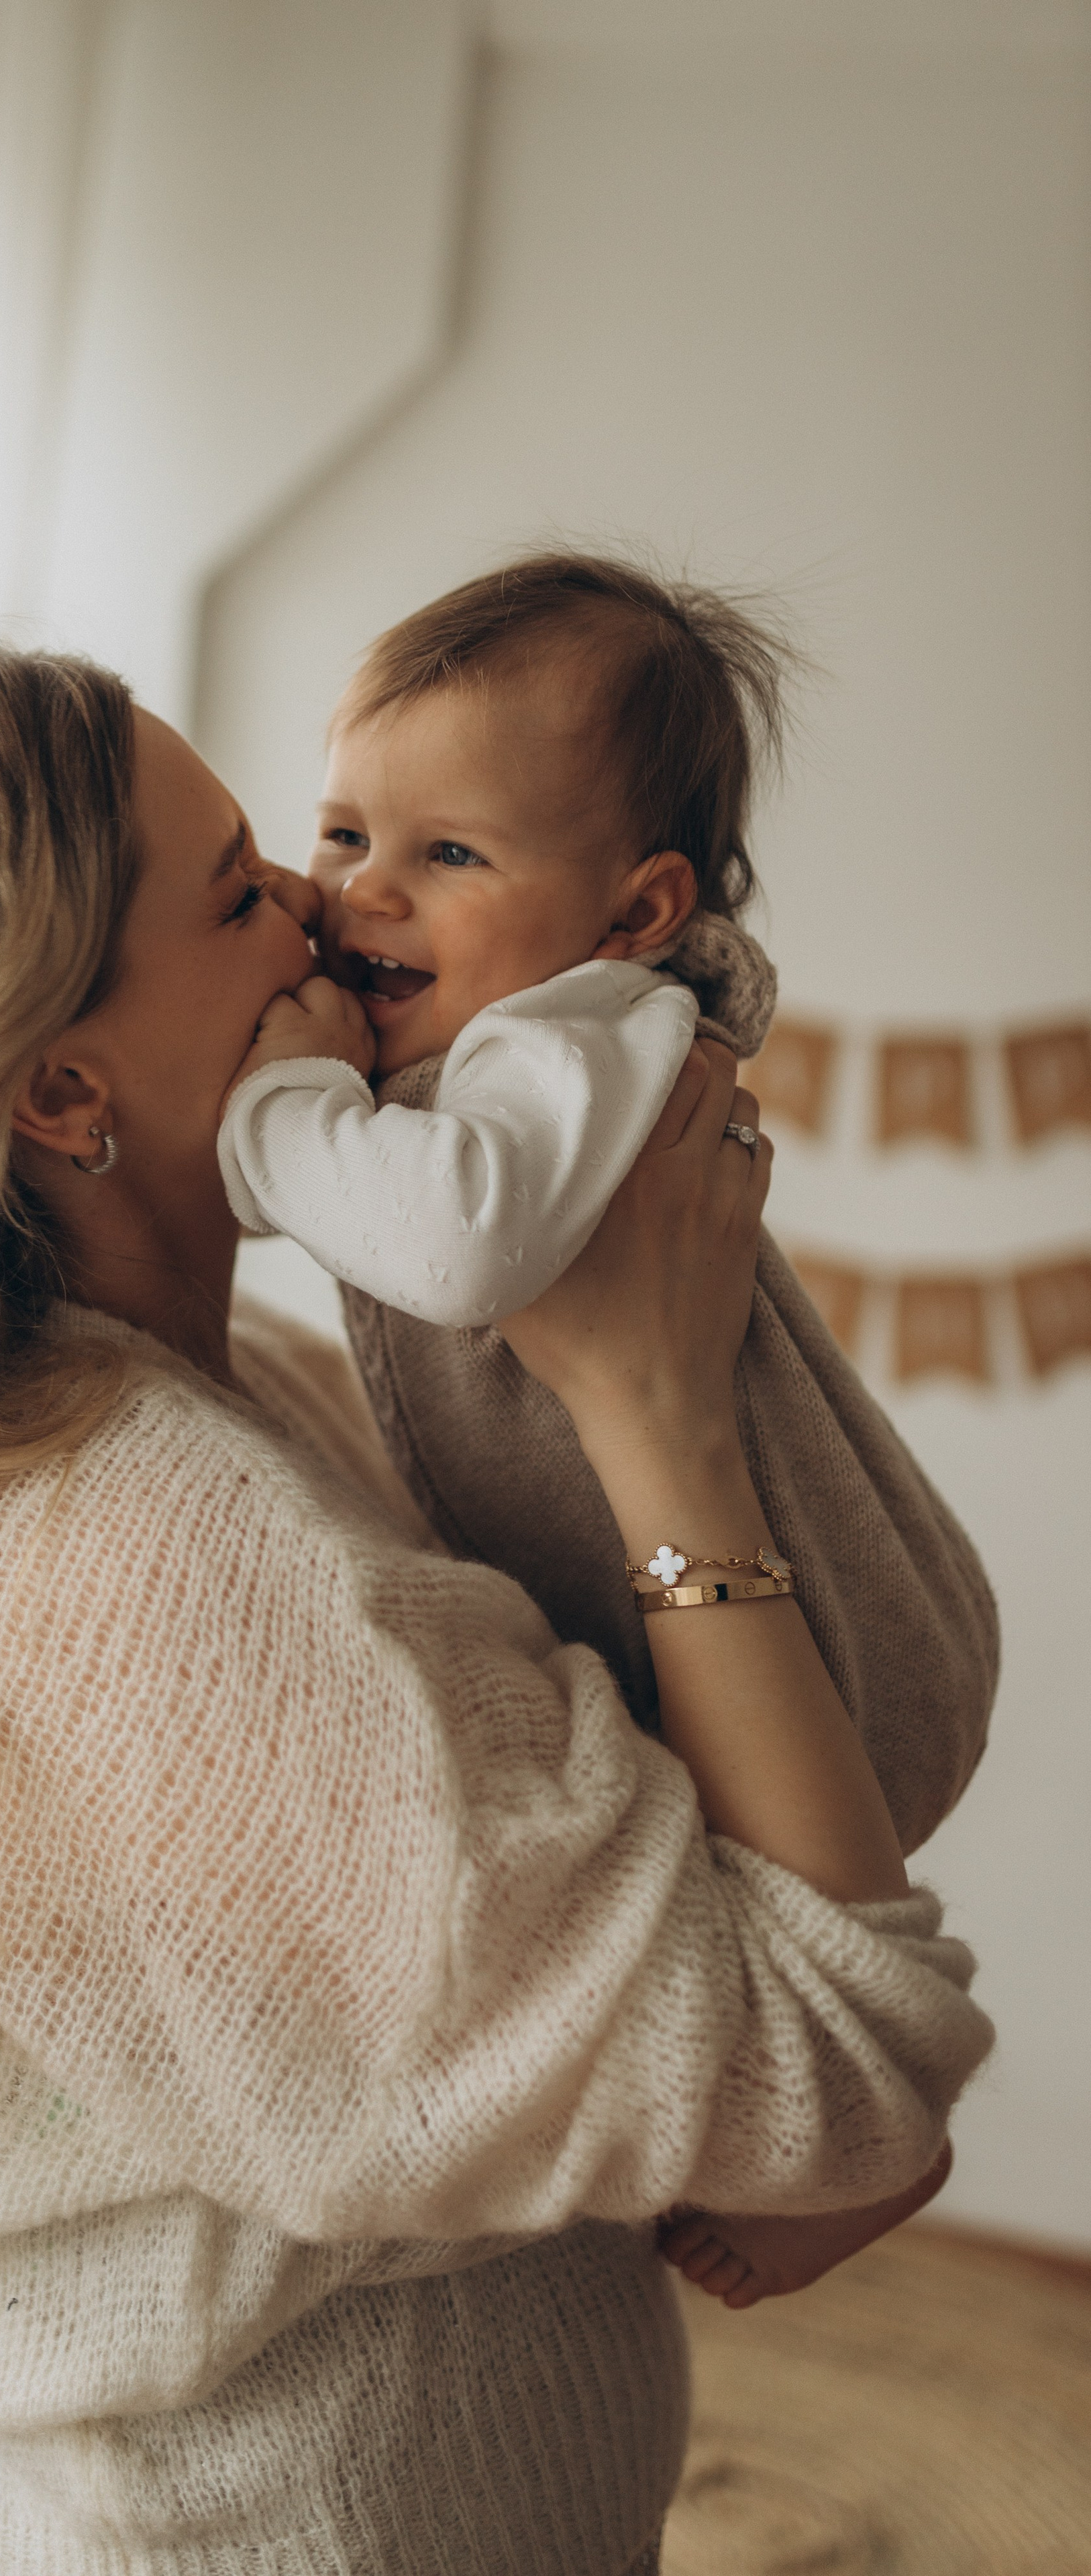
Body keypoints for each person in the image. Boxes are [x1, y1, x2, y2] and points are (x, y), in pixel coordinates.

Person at [0, 644, 992, 2576]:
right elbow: (840, 2074)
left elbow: (580, 1936)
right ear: (60, 1087)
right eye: (243, 889)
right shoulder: (120, 1558)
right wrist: (659, 1411)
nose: (330, 906)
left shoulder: (252, 1387)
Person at [217, 553, 999, 2304]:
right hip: (728, 1604)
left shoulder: (576, 1039)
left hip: (823, 1631)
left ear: (636, 913)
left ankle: (868, 2153)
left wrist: (270, 1104)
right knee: (676, 1933)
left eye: (450, 855)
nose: (361, 896)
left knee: (748, 1943)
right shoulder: (491, 1057)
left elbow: (450, 1240)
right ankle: (841, 2141)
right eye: (344, 833)